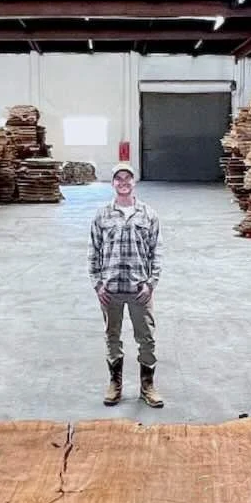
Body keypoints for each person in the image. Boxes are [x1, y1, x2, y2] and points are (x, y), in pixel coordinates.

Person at [88, 162, 162, 408]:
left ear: (134, 182)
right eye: (118, 178)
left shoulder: (149, 214)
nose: (123, 182)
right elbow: (93, 251)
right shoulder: (102, 215)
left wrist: (151, 284)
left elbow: (156, 252)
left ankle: (147, 385)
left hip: (140, 289)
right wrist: (98, 284)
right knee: (112, 337)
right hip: (111, 291)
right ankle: (115, 383)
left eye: (127, 178)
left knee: (147, 338)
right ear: (112, 183)